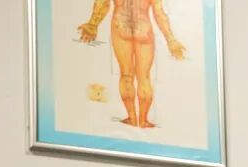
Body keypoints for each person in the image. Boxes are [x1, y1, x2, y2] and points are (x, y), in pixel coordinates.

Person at [77, 0, 186, 129]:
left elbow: (103, 3)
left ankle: (132, 118)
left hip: (120, 27)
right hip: (144, 30)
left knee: (126, 75)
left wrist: (93, 24)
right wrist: (171, 40)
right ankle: (143, 121)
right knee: (144, 77)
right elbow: (159, 13)